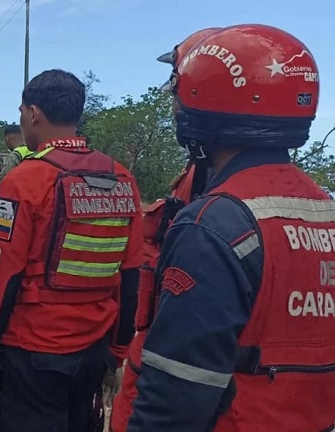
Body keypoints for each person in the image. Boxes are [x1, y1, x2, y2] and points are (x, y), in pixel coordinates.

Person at [125, 25, 335, 432]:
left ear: (205, 103)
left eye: (178, 95)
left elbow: (175, 398)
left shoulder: (213, 224)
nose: (175, 107)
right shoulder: (323, 209)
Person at [0, 69, 144, 432]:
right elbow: (131, 277)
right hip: (94, 352)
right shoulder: (122, 179)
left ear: (33, 114)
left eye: (20, 112)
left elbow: (1, 277)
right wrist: (117, 354)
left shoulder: (23, 181)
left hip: (34, 356)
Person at [109, 27, 221, 432]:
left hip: (167, 353)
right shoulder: (204, 171)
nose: (172, 98)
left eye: (176, 85)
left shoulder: (217, 187)